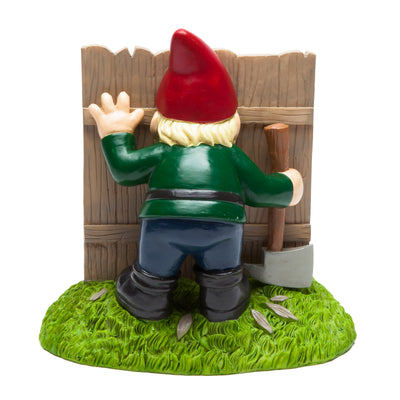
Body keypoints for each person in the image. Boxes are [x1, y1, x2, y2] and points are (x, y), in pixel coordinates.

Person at [89, 29, 303, 322]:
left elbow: (124, 170)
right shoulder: (230, 155)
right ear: (230, 119)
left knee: (151, 276)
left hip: (163, 225)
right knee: (224, 277)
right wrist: (289, 186)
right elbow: (261, 189)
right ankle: (223, 301)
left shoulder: (162, 152)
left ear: (164, 118)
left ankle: (148, 297)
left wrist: (116, 133)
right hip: (222, 227)